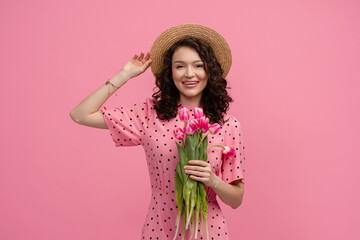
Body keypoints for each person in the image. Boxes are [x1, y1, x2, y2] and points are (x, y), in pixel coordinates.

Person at [70, 24, 246, 240]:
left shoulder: (227, 125)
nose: (189, 74)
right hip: (160, 229)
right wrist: (124, 75)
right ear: (170, 72)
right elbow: (80, 115)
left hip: (209, 232)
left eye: (198, 65)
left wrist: (213, 180)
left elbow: (236, 199)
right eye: (180, 66)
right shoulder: (149, 114)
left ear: (210, 70)